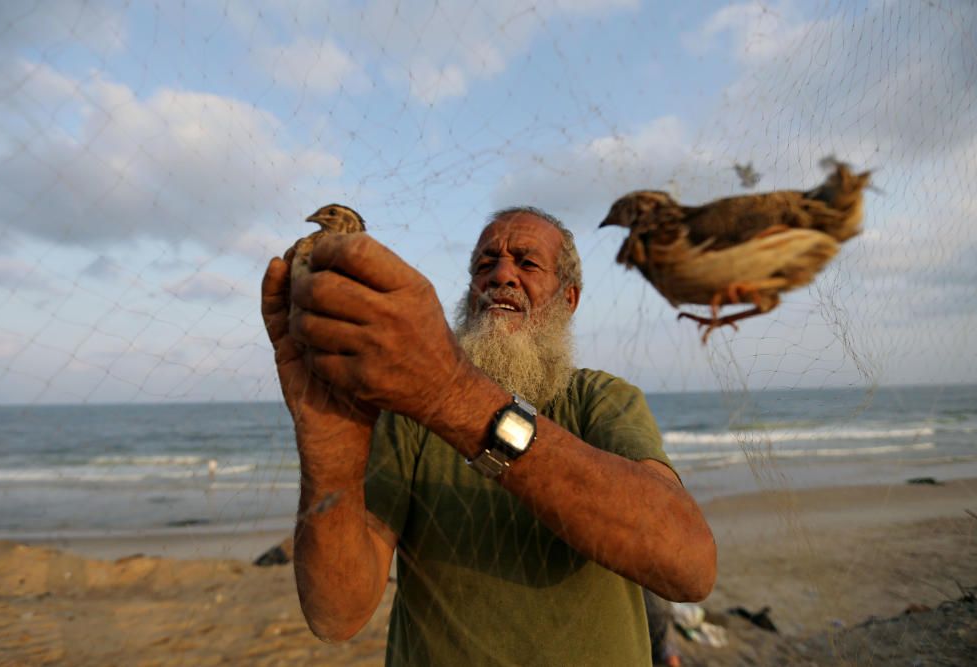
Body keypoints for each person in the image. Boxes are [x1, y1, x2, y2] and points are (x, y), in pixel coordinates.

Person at [261, 207, 716, 666]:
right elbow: (336, 615)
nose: (501, 275)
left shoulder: (600, 400)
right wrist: (328, 439)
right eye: (484, 265)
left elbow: (689, 565)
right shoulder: (410, 416)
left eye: (527, 263)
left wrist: (452, 393)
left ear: (569, 298)